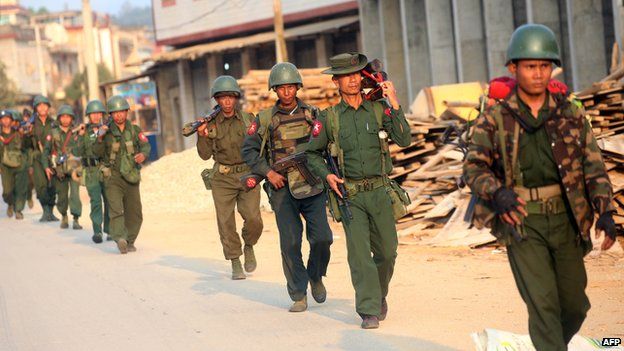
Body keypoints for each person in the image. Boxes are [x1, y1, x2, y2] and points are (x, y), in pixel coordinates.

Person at [463, 24, 617, 350]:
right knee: (543, 305)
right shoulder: (496, 119)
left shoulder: (570, 114)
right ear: (513, 68)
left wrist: (605, 211)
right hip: (522, 222)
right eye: (530, 66)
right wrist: (498, 192)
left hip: (567, 220)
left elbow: (594, 167)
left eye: (544, 66)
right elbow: (473, 168)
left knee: (575, 305)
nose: (538, 74)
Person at [306, 52, 412, 329]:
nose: (353, 80)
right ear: (336, 82)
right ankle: (368, 309)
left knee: (388, 252)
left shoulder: (378, 109)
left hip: (380, 191)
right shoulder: (329, 118)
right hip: (350, 195)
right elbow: (311, 155)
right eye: (346, 76)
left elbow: (404, 138)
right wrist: (327, 175)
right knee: (360, 256)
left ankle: (379, 294)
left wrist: (394, 100)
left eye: (357, 74)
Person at [242, 62, 332, 312]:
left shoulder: (313, 114)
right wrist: (268, 172)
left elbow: (327, 144)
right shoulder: (265, 119)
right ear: (275, 90)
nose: (287, 92)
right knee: (291, 243)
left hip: (312, 185)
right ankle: (298, 293)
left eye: (291, 87)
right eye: (281, 88)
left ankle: (315, 275)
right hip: (282, 189)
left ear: (297, 87)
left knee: (323, 238)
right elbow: (248, 150)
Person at [196, 75, 263, 280]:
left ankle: (249, 245)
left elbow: (259, 146)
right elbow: (204, 155)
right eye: (222, 97)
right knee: (225, 221)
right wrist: (202, 135)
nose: (226, 101)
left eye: (230, 97)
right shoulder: (211, 125)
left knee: (253, 219)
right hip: (222, 177)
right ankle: (235, 260)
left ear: (236, 98)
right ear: (216, 99)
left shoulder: (248, 119)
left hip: (247, 174)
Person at [94, 96, 150, 254]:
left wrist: (143, 155)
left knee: (135, 212)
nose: (118, 115)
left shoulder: (135, 130)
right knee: (116, 210)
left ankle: (130, 240)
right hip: (112, 177)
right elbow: (95, 152)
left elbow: (145, 146)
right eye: (115, 112)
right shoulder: (104, 132)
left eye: (121, 112)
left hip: (131, 175)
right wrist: (99, 137)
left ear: (127, 112)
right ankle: (120, 238)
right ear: (110, 114)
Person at [43, 105, 82, 229]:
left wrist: (82, 135)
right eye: (63, 117)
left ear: (72, 118)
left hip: (75, 169)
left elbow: (87, 144)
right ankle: (64, 215)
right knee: (62, 196)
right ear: (59, 118)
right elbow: (46, 151)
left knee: (75, 194)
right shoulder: (53, 133)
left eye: (68, 117)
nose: (65, 119)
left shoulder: (77, 132)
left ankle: (76, 219)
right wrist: (46, 167)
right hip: (59, 170)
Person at [77, 100, 111, 243]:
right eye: (93, 114)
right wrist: (80, 135)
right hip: (91, 171)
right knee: (96, 202)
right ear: (88, 116)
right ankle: (97, 231)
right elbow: (77, 151)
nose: (96, 116)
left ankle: (110, 230)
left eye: (98, 113)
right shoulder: (84, 132)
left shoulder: (108, 129)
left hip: (105, 169)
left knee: (110, 200)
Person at [27, 95, 58, 221]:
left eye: (45, 105)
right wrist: (27, 133)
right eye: (39, 105)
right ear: (36, 109)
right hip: (38, 158)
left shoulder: (54, 123)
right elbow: (26, 145)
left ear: (48, 107)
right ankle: (45, 210)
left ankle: (50, 211)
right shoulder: (32, 124)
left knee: (52, 185)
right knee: (41, 185)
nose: (42, 107)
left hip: (52, 157)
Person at [0, 109, 28, 219]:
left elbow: (26, 146)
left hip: (19, 164)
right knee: (7, 191)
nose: (5, 121)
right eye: (3, 119)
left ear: (12, 121)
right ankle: (10, 203)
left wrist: (24, 134)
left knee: (20, 188)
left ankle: (18, 210)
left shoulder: (18, 133)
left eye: (8, 118)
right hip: (4, 166)